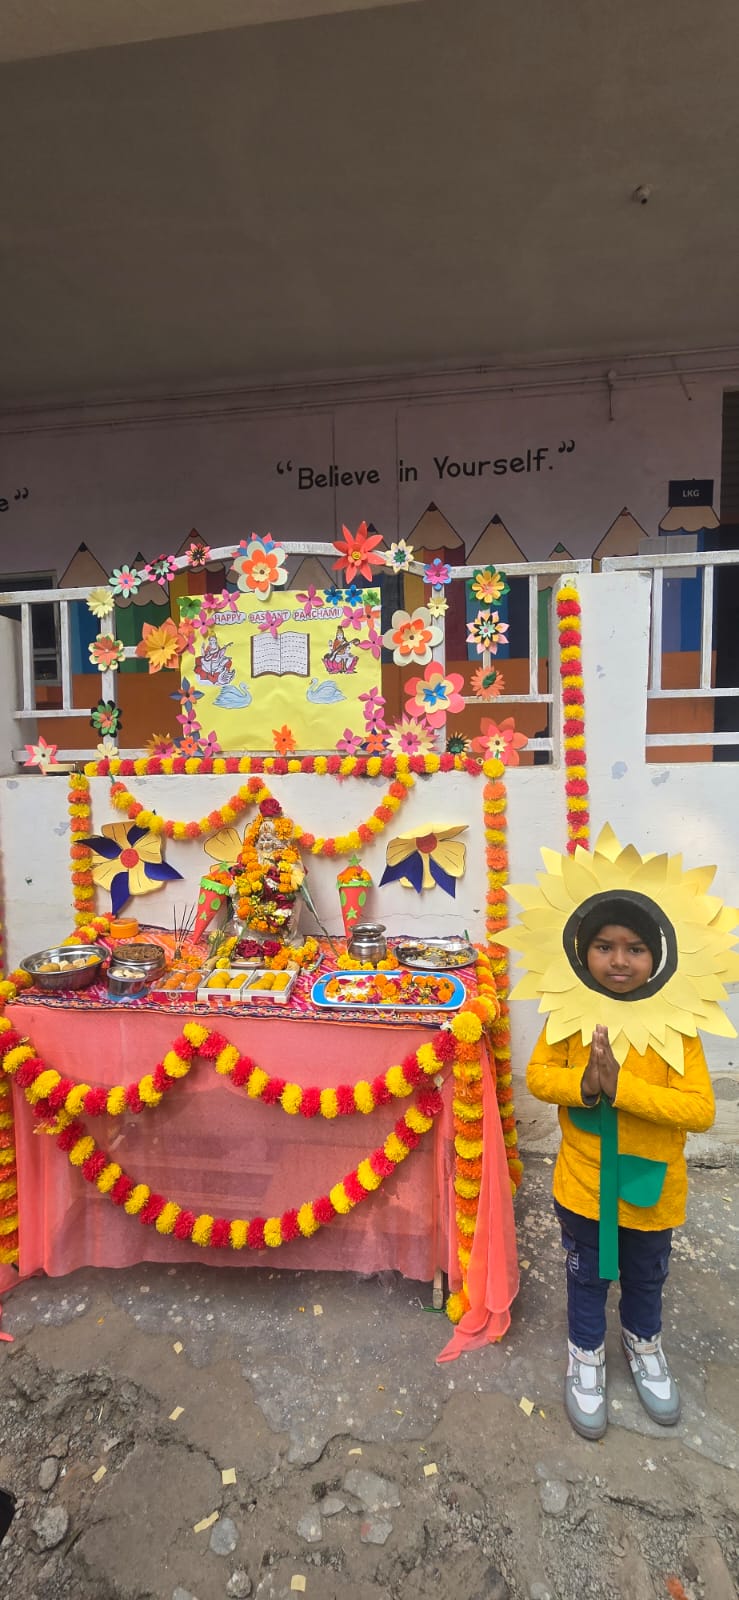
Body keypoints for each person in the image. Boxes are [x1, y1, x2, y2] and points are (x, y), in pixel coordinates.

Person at [526, 895, 715, 1441]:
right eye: (604, 946)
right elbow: (538, 1075)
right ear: (582, 953)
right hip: (585, 1184)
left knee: (646, 1275)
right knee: (587, 1275)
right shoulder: (569, 1017)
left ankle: (643, 1343)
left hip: (652, 1189)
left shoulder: (677, 1026)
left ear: (657, 958)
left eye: (635, 949)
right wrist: (584, 1083)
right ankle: (585, 1353)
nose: (618, 961)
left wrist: (621, 1087)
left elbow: (701, 1110)